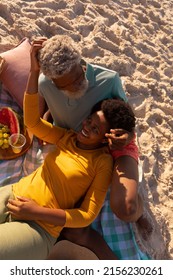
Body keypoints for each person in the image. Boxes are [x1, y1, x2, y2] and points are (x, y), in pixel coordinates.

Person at [0, 44, 136, 260]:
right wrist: (34, 72)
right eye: (89, 122)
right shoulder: (67, 137)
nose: (75, 87)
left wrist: (35, 212)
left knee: (126, 207)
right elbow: (33, 122)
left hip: (39, 226)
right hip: (15, 193)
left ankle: (138, 217)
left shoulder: (102, 163)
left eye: (94, 129)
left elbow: (86, 215)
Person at [36, 35, 151, 260]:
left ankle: (139, 209)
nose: (76, 84)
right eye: (66, 85)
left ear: (81, 61)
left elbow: (127, 120)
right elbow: (45, 109)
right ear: (53, 82)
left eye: (78, 76)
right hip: (76, 149)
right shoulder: (44, 84)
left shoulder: (109, 80)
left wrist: (125, 136)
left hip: (113, 145)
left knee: (124, 209)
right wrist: (47, 120)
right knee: (71, 228)